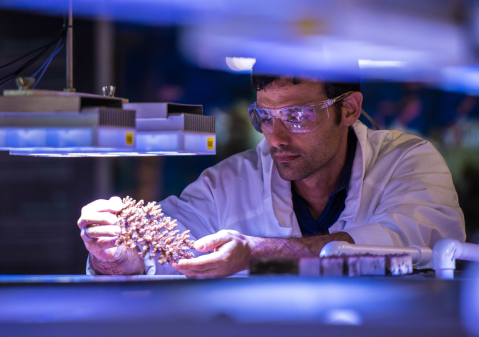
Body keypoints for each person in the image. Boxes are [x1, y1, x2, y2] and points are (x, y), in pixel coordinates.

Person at [78, 70, 466, 278]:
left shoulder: (408, 161)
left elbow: (412, 245)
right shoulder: (227, 184)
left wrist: (255, 253)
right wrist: (113, 254)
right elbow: (158, 250)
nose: (275, 137)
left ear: (348, 109)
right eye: (265, 117)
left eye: (297, 116)